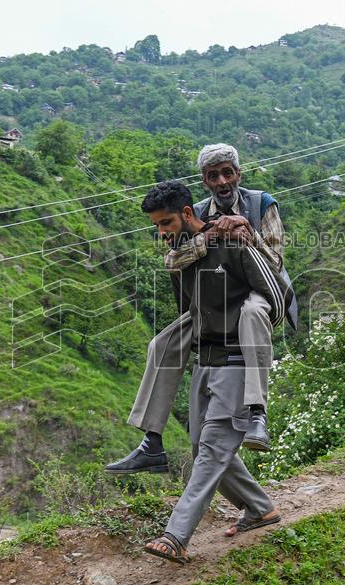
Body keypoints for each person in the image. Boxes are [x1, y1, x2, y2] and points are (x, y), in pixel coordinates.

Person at [105, 144, 297, 474]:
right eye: (213, 176)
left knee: (252, 313)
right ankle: (152, 441)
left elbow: (276, 262)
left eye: (227, 173)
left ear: (238, 174)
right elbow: (172, 260)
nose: (222, 181)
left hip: (260, 293)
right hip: (217, 301)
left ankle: (258, 415)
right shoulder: (194, 213)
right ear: (204, 181)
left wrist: (247, 233)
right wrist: (208, 236)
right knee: (162, 344)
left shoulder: (260, 204)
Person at [138, 181, 288, 564]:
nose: (162, 232)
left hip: (238, 363)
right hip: (206, 362)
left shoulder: (234, 242)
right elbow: (188, 312)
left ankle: (176, 535)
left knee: (211, 451)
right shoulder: (181, 260)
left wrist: (249, 324)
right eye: (157, 226)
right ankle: (260, 508)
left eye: (167, 223)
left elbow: (275, 296)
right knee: (202, 447)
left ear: (188, 214)